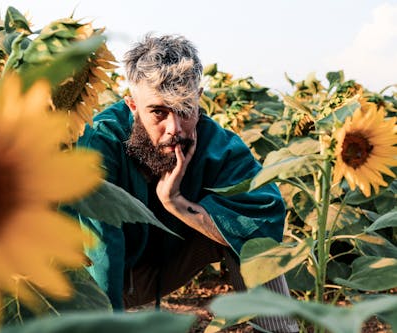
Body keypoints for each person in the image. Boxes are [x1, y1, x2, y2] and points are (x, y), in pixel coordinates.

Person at [74, 34, 299, 332]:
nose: (175, 129)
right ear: (132, 105)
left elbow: (265, 215)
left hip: (161, 268)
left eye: (184, 109)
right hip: (88, 283)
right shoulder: (101, 140)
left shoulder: (217, 145)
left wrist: (176, 202)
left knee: (249, 235)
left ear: (199, 99)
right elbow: (102, 248)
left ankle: (279, 330)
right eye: (158, 112)